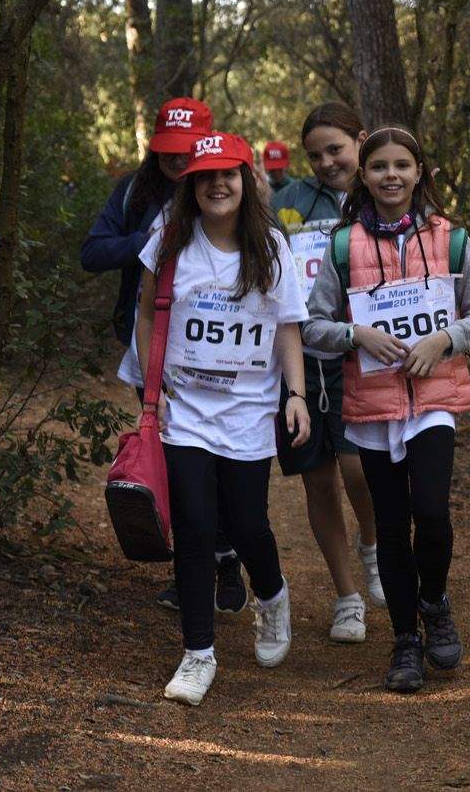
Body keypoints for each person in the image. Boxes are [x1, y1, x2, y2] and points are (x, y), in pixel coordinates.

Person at [302, 126, 470, 693]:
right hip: (371, 406)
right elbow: (313, 325)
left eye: (402, 166)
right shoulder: (342, 246)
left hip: (433, 400)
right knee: (390, 527)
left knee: (431, 512)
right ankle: (405, 640)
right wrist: (356, 334)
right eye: (380, 166)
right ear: (364, 176)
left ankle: (434, 601)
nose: (391, 176)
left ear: (419, 173)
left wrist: (445, 340)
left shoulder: (452, 240)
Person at [134, 132, 310, 706]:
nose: (217, 184)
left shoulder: (271, 247)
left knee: (246, 524)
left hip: (248, 412)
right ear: (191, 185)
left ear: (245, 180)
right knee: (194, 525)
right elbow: (144, 311)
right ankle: (197, 654)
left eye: (228, 174)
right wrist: (150, 392)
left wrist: (297, 395)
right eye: (206, 175)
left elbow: (288, 327)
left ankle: (273, 593)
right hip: (185, 410)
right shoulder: (169, 242)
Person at [79, 97, 247, 615]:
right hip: (154, 348)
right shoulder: (136, 191)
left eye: (186, 151)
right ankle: (191, 571)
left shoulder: (226, 187)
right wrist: (146, 242)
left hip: (223, 352)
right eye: (168, 152)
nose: (178, 162)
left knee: (219, 463)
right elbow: (92, 252)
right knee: (178, 460)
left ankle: (227, 558)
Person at [270, 103, 382, 645]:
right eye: (315, 154)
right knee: (319, 481)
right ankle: (347, 598)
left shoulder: (382, 194)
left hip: (367, 357)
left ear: (359, 142)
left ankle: (373, 545)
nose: (326, 162)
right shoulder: (289, 201)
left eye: (335, 149)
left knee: (361, 471)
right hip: (305, 360)